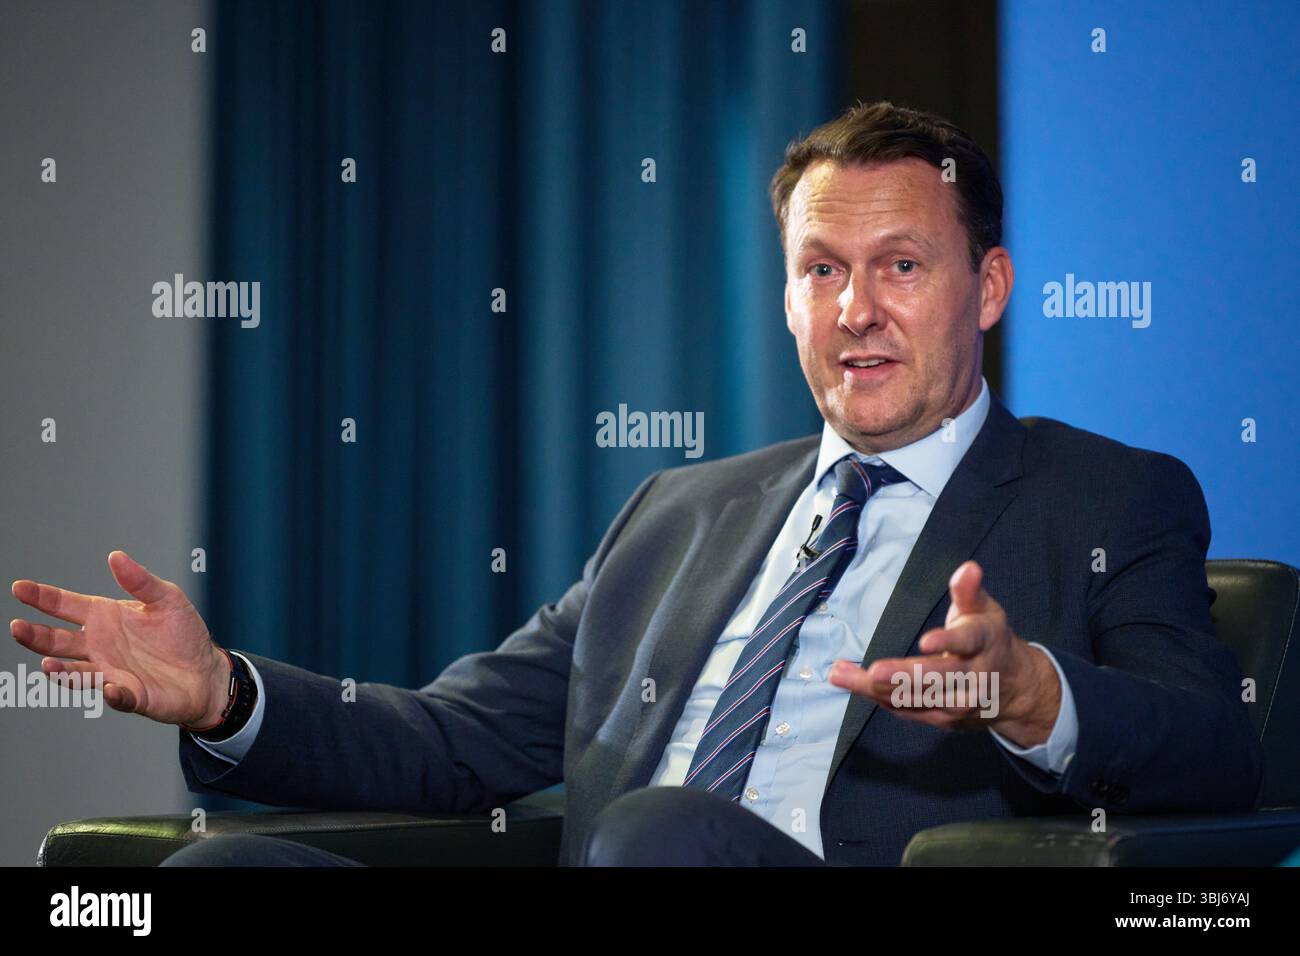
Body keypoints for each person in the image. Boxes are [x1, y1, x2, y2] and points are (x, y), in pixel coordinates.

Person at [10, 102, 1262, 867]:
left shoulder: (1109, 497)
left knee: (661, 832)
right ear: (784, 298)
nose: (857, 311)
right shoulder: (678, 513)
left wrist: (1029, 691)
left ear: (986, 288)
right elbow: (457, 740)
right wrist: (224, 691)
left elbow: (1216, 750)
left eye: (900, 266)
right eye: (820, 271)